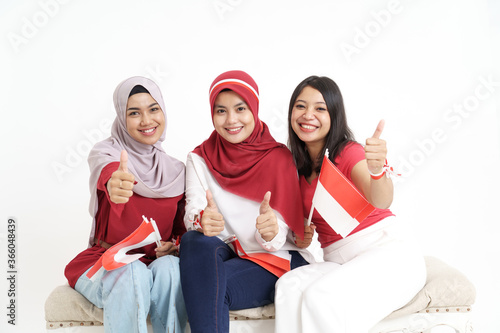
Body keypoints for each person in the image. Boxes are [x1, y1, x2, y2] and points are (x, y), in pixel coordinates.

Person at [274, 75, 427, 332]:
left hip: (390, 255)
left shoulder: (348, 152)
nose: (308, 114)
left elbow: (381, 199)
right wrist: (301, 236)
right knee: (288, 286)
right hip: (340, 261)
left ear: (334, 116)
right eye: (300, 106)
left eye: (320, 108)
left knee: (320, 298)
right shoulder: (296, 171)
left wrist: (377, 170)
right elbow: (302, 235)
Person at [179, 70, 315, 333]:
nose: (231, 120)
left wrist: (270, 231)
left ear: (254, 108)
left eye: (240, 108)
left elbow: (284, 234)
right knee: (193, 239)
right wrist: (202, 220)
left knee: (207, 287)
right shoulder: (199, 158)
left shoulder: (279, 158)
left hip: (278, 259)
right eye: (221, 111)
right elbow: (192, 212)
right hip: (231, 255)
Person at [64, 76, 187, 333]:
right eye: (134, 113)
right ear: (121, 117)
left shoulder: (177, 171)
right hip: (105, 263)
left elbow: (180, 231)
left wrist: (173, 247)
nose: (146, 120)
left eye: (153, 109)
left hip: (153, 263)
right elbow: (108, 173)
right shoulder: (107, 152)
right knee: (132, 272)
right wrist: (115, 184)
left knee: (172, 270)